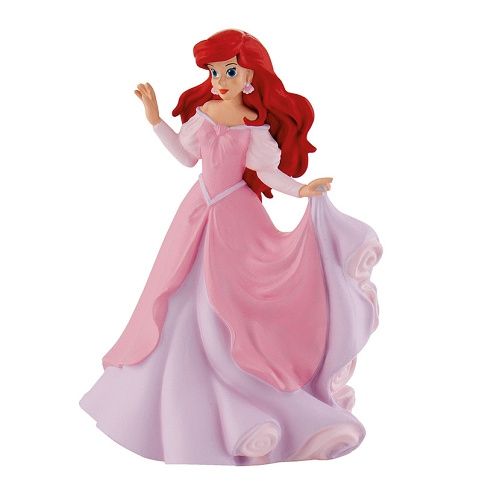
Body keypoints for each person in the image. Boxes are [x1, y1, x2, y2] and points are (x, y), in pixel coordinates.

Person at [79, 28, 383, 466]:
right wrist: (156, 120)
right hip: (196, 214)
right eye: (214, 71)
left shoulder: (254, 128)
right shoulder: (204, 114)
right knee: (175, 298)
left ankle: (245, 388)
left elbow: (271, 175)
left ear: (250, 77)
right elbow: (186, 158)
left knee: (233, 305)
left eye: (230, 71)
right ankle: (177, 401)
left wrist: (302, 190)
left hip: (237, 220)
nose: (220, 79)